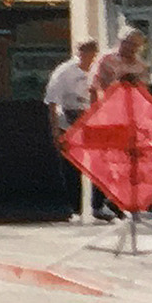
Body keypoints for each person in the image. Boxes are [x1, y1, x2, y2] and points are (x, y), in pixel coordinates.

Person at [44, 39, 102, 216]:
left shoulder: (98, 69)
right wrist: (55, 130)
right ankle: (75, 209)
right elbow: (52, 101)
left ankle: (98, 206)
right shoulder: (64, 72)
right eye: (83, 53)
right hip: (68, 120)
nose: (87, 58)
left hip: (92, 120)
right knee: (71, 167)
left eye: (91, 54)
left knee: (98, 164)